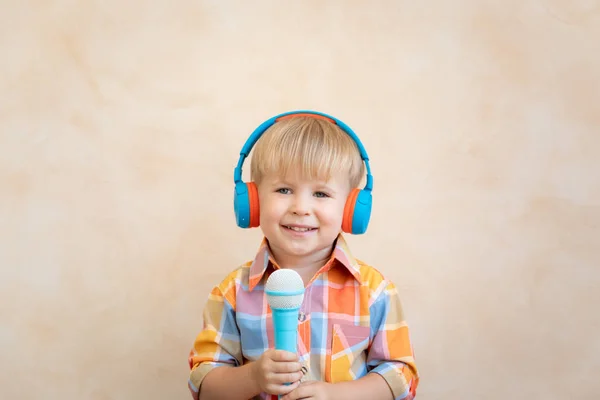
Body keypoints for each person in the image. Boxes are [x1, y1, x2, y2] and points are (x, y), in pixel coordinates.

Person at [187, 111, 419, 400]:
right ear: (254, 201)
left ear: (350, 210)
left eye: (321, 194)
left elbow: (400, 378)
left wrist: (338, 396)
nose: (300, 207)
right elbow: (204, 386)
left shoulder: (374, 291)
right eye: (284, 189)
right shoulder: (232, 292)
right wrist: (253, 376)